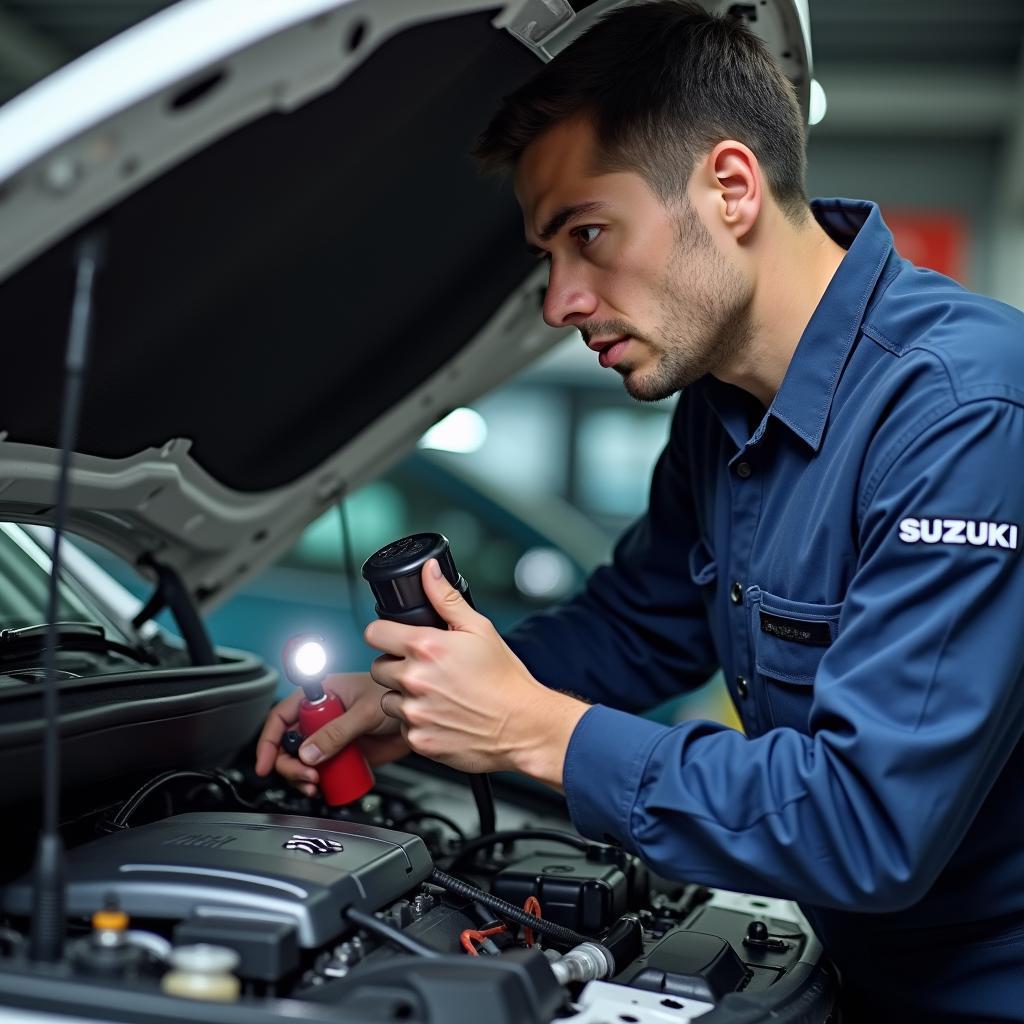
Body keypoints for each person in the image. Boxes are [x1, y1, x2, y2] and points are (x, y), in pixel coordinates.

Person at [256, 3, 1024, 1019]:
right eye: (548, 253)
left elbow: (866, 824)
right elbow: (636, 627)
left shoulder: (967, 416)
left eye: (588, 234)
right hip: (858, 971)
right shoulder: (721, 401)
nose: (558, 301)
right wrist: (422, 703)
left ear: (731, 188)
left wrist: (539, 733)